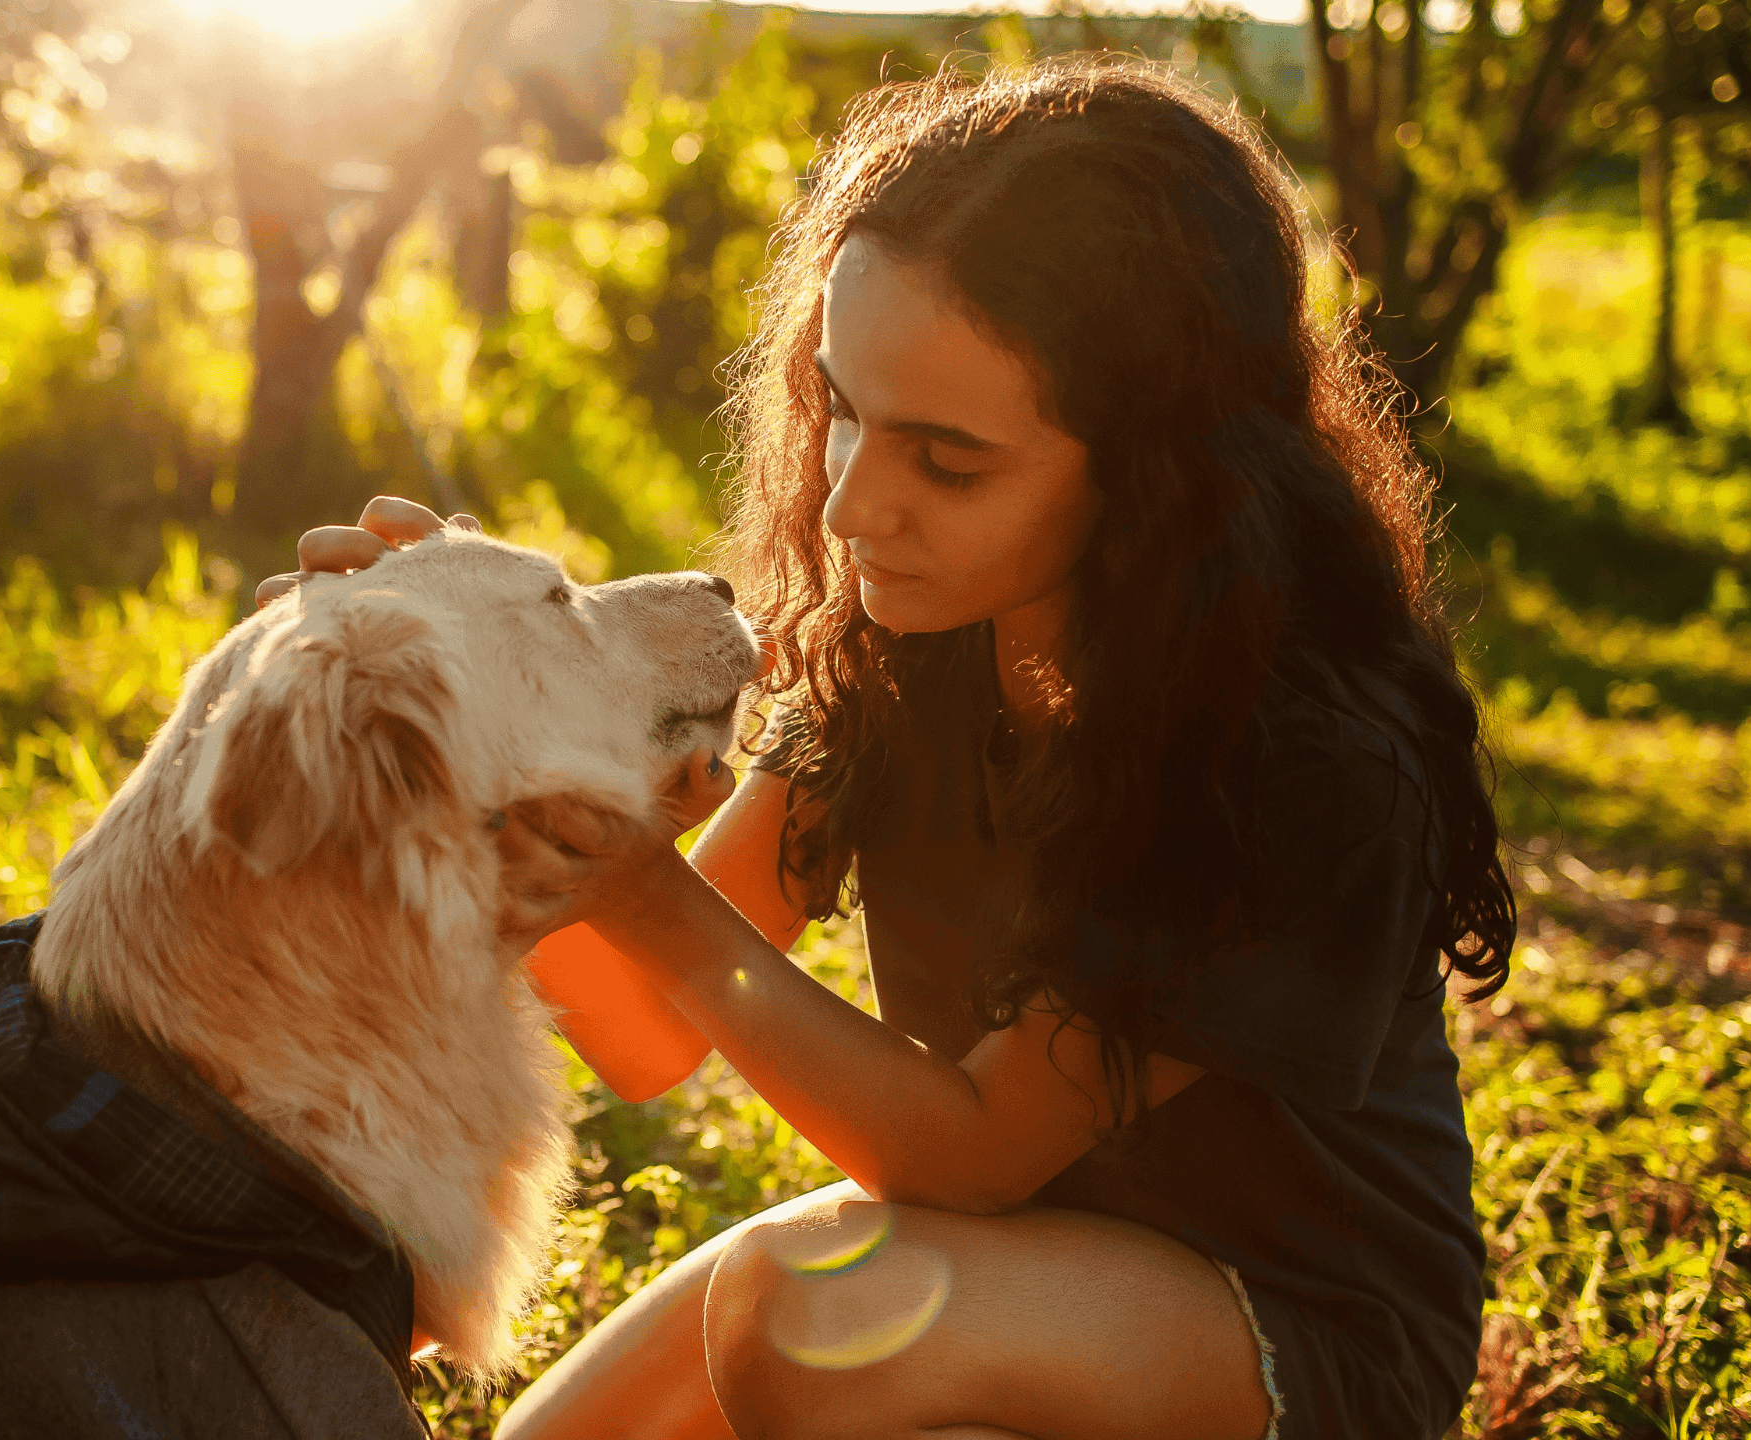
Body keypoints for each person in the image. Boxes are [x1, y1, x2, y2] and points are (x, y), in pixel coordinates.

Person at [259, 54, 1513, 1440]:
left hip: (1289, 1330)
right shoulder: (913, 642)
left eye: (948, 461)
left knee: (806, 1317)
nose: (852, 507)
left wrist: (646, 891)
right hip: (1013, 1267)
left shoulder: (1305, 752)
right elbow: (636, 1031)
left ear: (1164, 474)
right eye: (843, 412)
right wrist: (478, 725)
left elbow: (973, 1153)